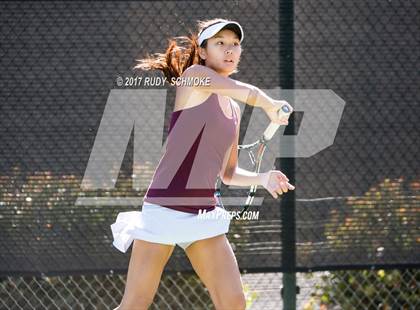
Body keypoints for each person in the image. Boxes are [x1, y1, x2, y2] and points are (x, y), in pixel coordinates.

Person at [111, 18, 295, 310]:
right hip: (163, 210)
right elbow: (248, 93)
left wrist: (263, 178)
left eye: (235, 44)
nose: (229, 49)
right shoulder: (194, 76)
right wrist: (269, 104)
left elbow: (228, 173)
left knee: (234, 303)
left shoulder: (233, 111)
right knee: (135, 303)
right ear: (204, 51)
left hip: (203, 215)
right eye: (220, 43)